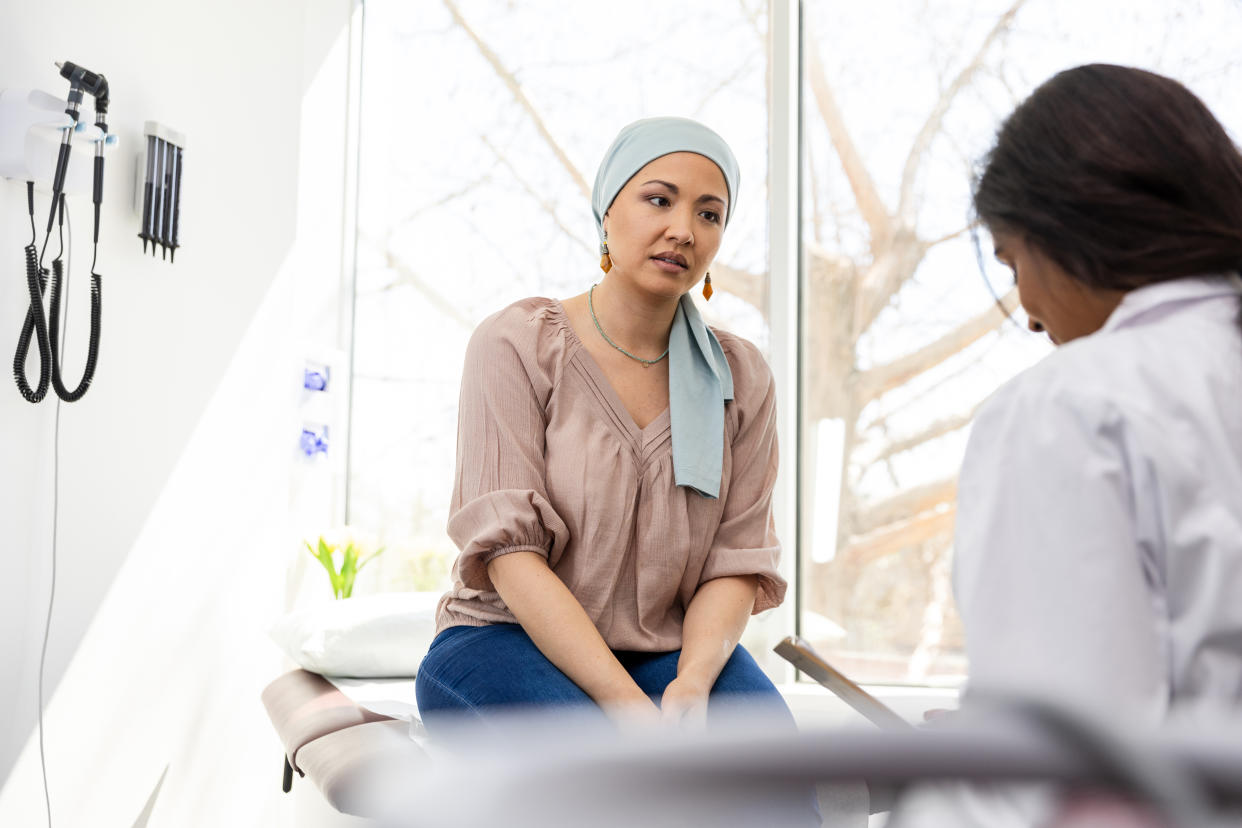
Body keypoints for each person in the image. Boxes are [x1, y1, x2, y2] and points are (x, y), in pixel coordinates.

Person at [892, 63, 1242, 826]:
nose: (1028, 313)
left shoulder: (1069, 405)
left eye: (1014, 264)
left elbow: (1050, 781)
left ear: (1067, 226)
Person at [415, 117, 795, 733]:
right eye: (658, 199)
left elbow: (736, 561)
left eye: (709, 214)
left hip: (669, 654)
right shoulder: (519, 343)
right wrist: (628, 712)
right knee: (617, 781)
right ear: (607, 211)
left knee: (776, 778)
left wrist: (694, 682)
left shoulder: (742, 378)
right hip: (503, 641)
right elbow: (511, 555)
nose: (682, 230)